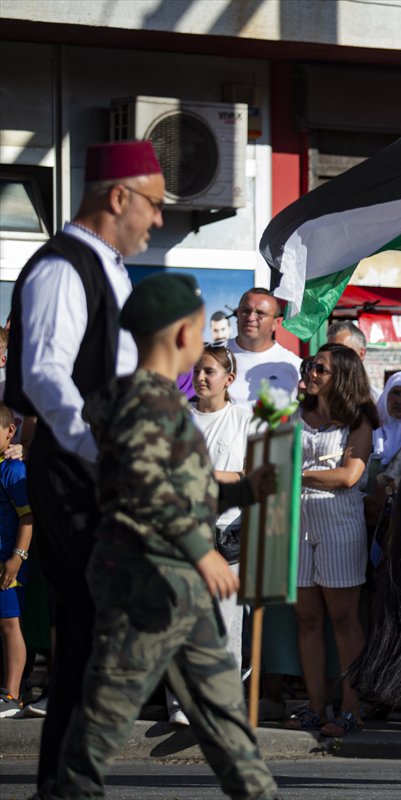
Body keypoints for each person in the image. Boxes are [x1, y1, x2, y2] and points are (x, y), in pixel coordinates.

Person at [46, 272, 278, 799]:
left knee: (223, 713)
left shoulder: (161, 407)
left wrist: (248, 490)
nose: (203, 341)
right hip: (144, 580)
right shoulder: (142, 404)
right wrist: (203, 553)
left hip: (178, 583)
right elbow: (151, 492)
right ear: (179, 335)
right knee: (106, 713)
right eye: (198, 330)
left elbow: (189, 490)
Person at [5, 140, 161, 789]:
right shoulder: (63, 267)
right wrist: (104, 451)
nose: (156, 221)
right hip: (78, 477)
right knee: (95, 642)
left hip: (94, 472)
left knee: (92, 649)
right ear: (117, 197)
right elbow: (44, 373)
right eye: (152, 204)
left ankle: (66, 786)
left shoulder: (108, 269)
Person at [285, 344, 379, 738]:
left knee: (343, 619)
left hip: (339, 522)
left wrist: (297, 474)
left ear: (340, 376)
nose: (310, 372)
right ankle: (315, 704)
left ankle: (351, 706)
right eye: (310, 365)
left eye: (319, 368)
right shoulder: (296, 414)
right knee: (306, 618)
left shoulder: (358, 420)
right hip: (298, 520)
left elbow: (348, 477)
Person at [164, 343, 255, 728]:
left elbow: (251, 473)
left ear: (228, 379)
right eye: (198, 371)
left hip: (226, 533)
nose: (201, 378)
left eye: (210, 372)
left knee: (225, 625)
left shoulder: (244, 418)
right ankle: (181, 704)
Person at [0, 403, 32, 718]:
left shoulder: (13, 469)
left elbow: (28, 518)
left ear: (11, 431)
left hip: (8, 560)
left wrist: (17, 558)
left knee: (11, 624)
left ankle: (12, 693)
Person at [226, 289, 302, 405]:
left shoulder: (294, 366)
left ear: (275, 323)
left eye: (260, 313)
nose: (251, 318)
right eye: (246, 311)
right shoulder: (212, 355)